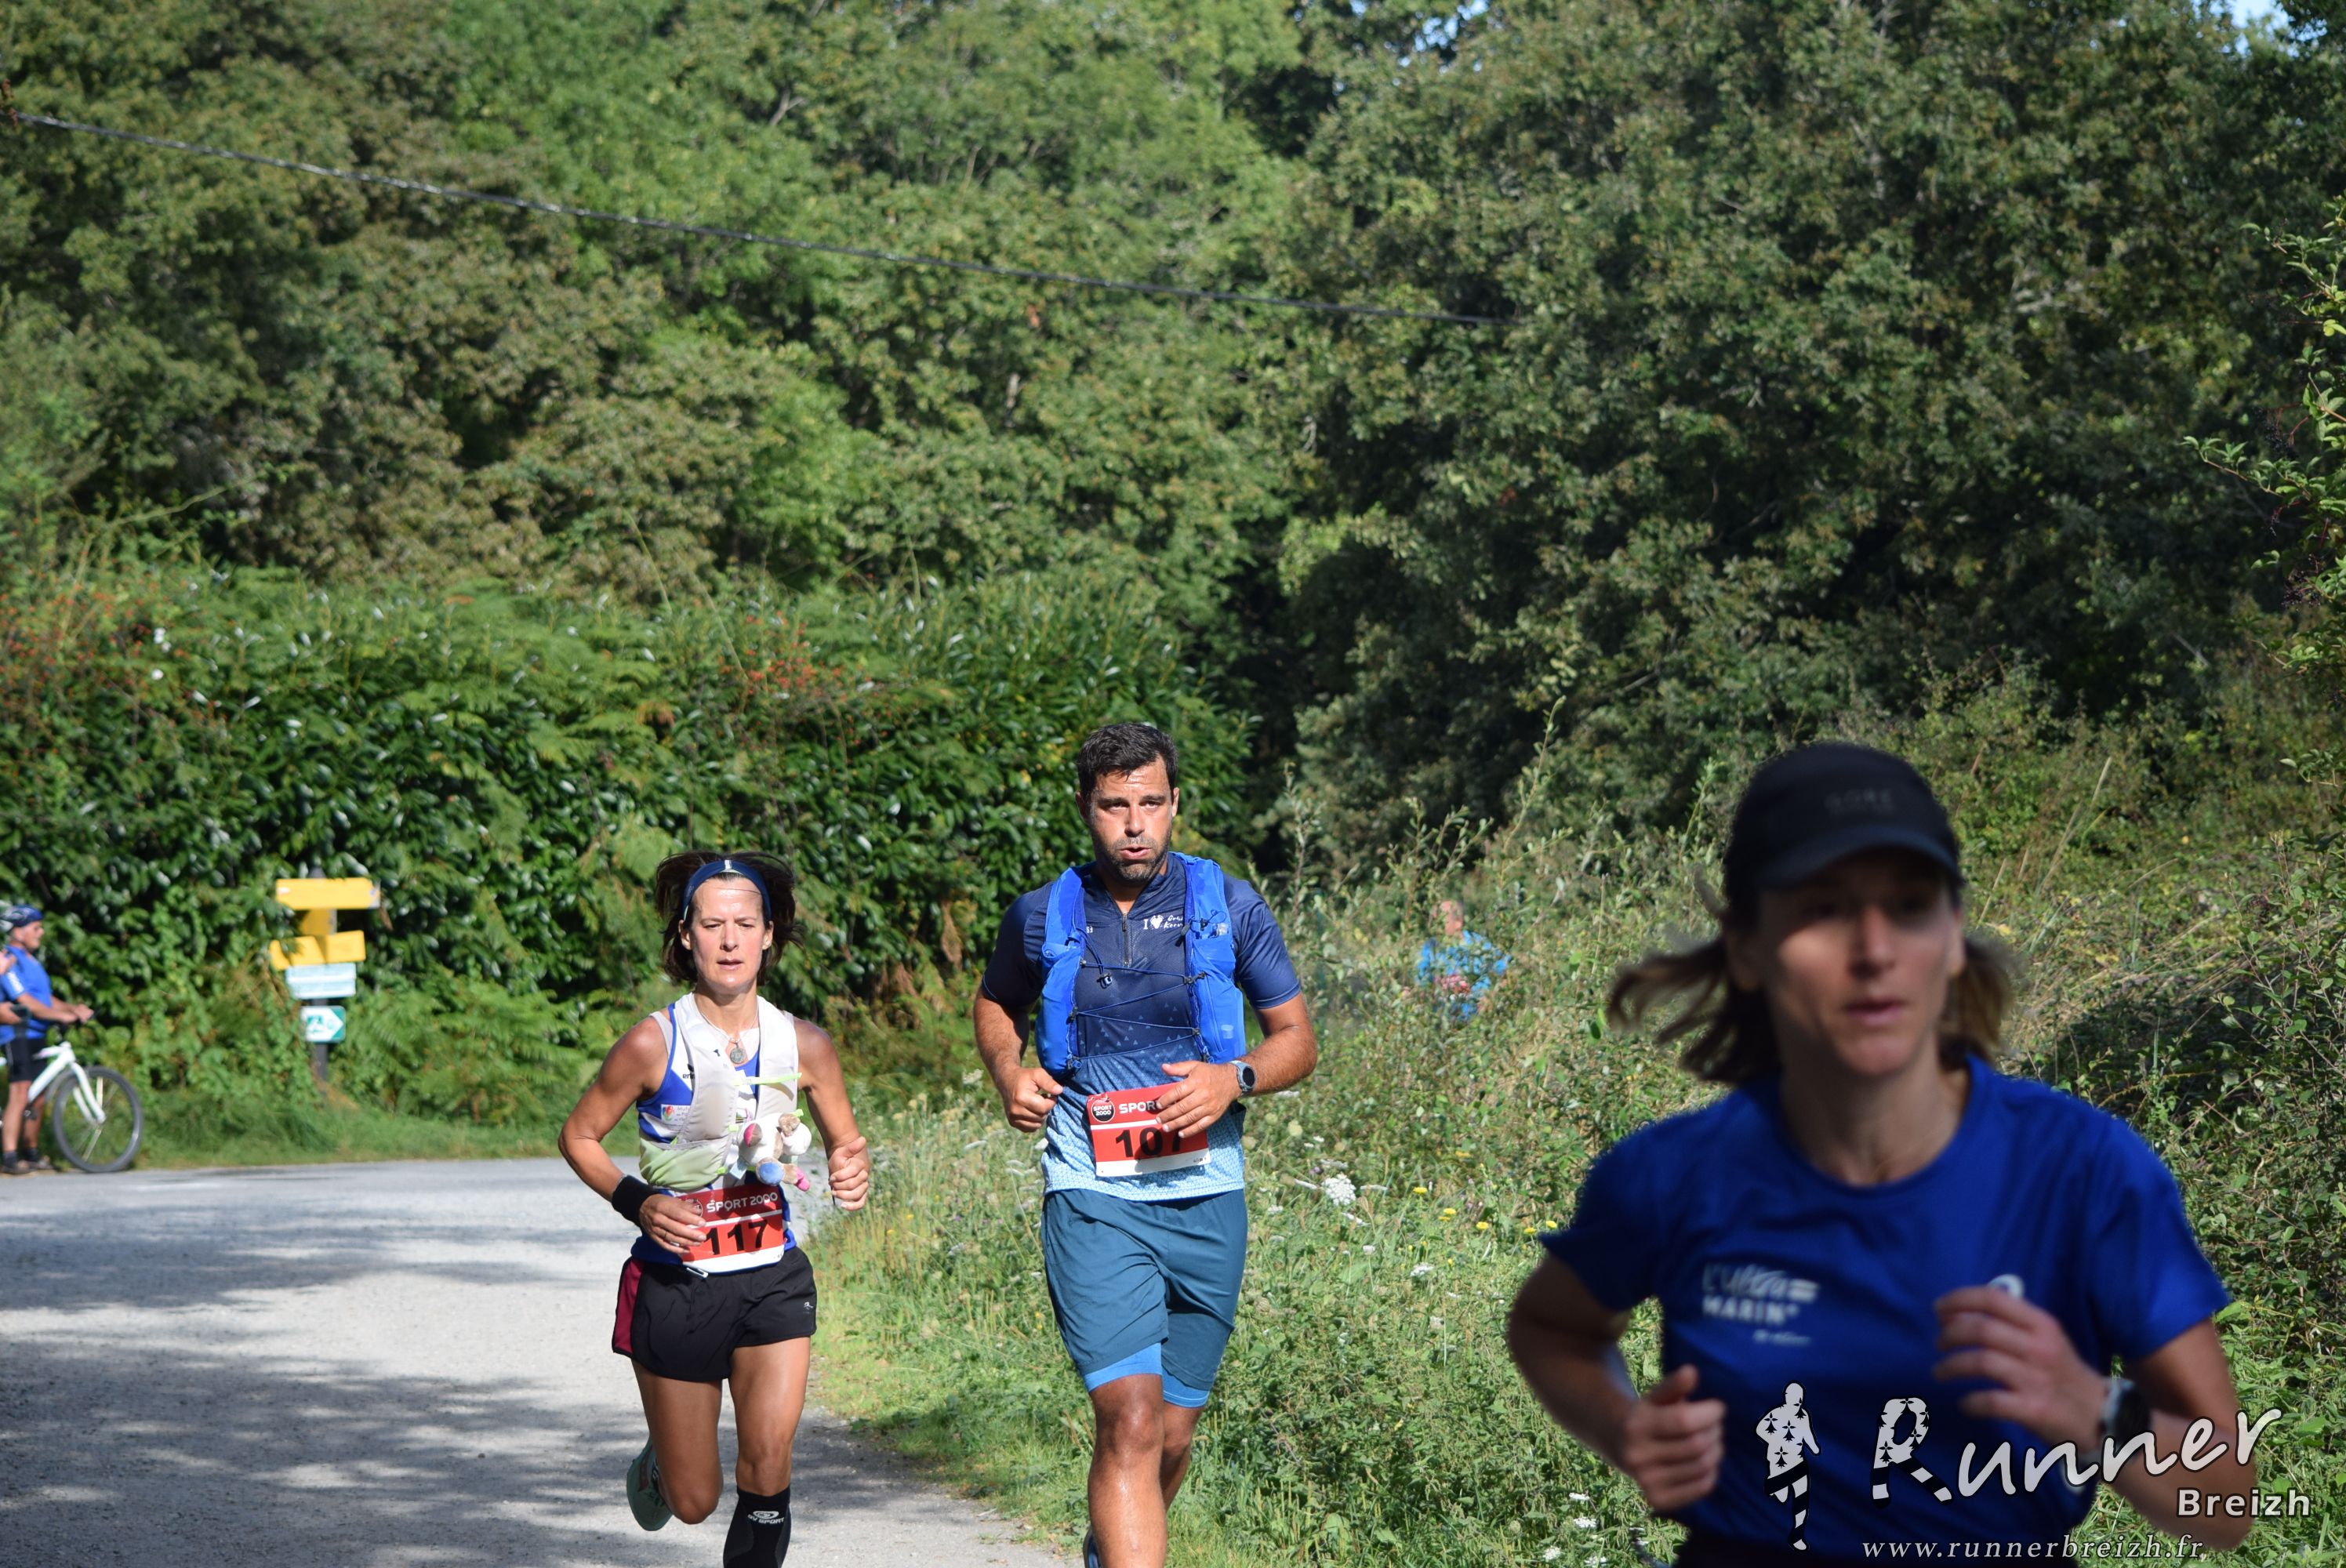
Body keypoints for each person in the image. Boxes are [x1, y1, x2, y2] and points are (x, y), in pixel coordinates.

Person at [1506, 743, 2258, 1563]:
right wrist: (1623, 1427)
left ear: (1953, 936)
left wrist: (2095, 1407)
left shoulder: (2082, 1171)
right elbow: (1553, 1326)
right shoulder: (1671, 1177)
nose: (1873, 949)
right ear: (1746, 946)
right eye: (1822, 908)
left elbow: (2225, 1503)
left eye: (1909, 905)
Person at [972, 722, 1319, 1568]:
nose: (1134, 825)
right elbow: (995, 1003)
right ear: (1085, 809)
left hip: (1208, 1194)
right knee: (1128, 1418)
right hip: (1093, 1195)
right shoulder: (1040, 913)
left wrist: (1234, 1077)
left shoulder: (1229, 903)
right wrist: (1008, 1069)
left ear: (1175, 804)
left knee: (1170, 1432)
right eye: (1113, 806)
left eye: (1151, 803)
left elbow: (1297, 1040)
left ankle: (1111, 1546)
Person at [557, 851, 871, 1568]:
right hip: (677, 1285)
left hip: (772, 1279)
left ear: (769, 934)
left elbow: (846, 1146)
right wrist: (639, 1202)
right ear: (686, 936)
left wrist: (851, 1171)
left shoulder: (806, 1044)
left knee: (768, 1461)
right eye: (712, 925)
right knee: (695, 1500)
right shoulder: (652, 1042)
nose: (730, 941)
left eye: (745, 924)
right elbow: (578, 1136)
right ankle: (665, 1459)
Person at [2, 906, 94, 1175]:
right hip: (17, 1033)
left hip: (38, 1034)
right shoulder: (8, 960)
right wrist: (61, 1016)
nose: (41, 933)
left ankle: (31, 1153)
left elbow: (45, 999)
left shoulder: (33, 963)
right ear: (18, 932)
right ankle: (9, 1156)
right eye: (36, 928)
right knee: (20, 1092)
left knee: (39, 1096)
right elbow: (25, 1001)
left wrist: (72, 1009)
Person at [1414, 897, 1510, 1019]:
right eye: (1433, 921)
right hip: (1442, 1022)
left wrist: (1491, 998)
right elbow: (1421, 985)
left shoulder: (1479, 945)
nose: (1435, 926)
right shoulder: (1430, 948)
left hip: (1476, 1022)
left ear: (1458, 922)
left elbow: (1508, 972)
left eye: (1441, 921)